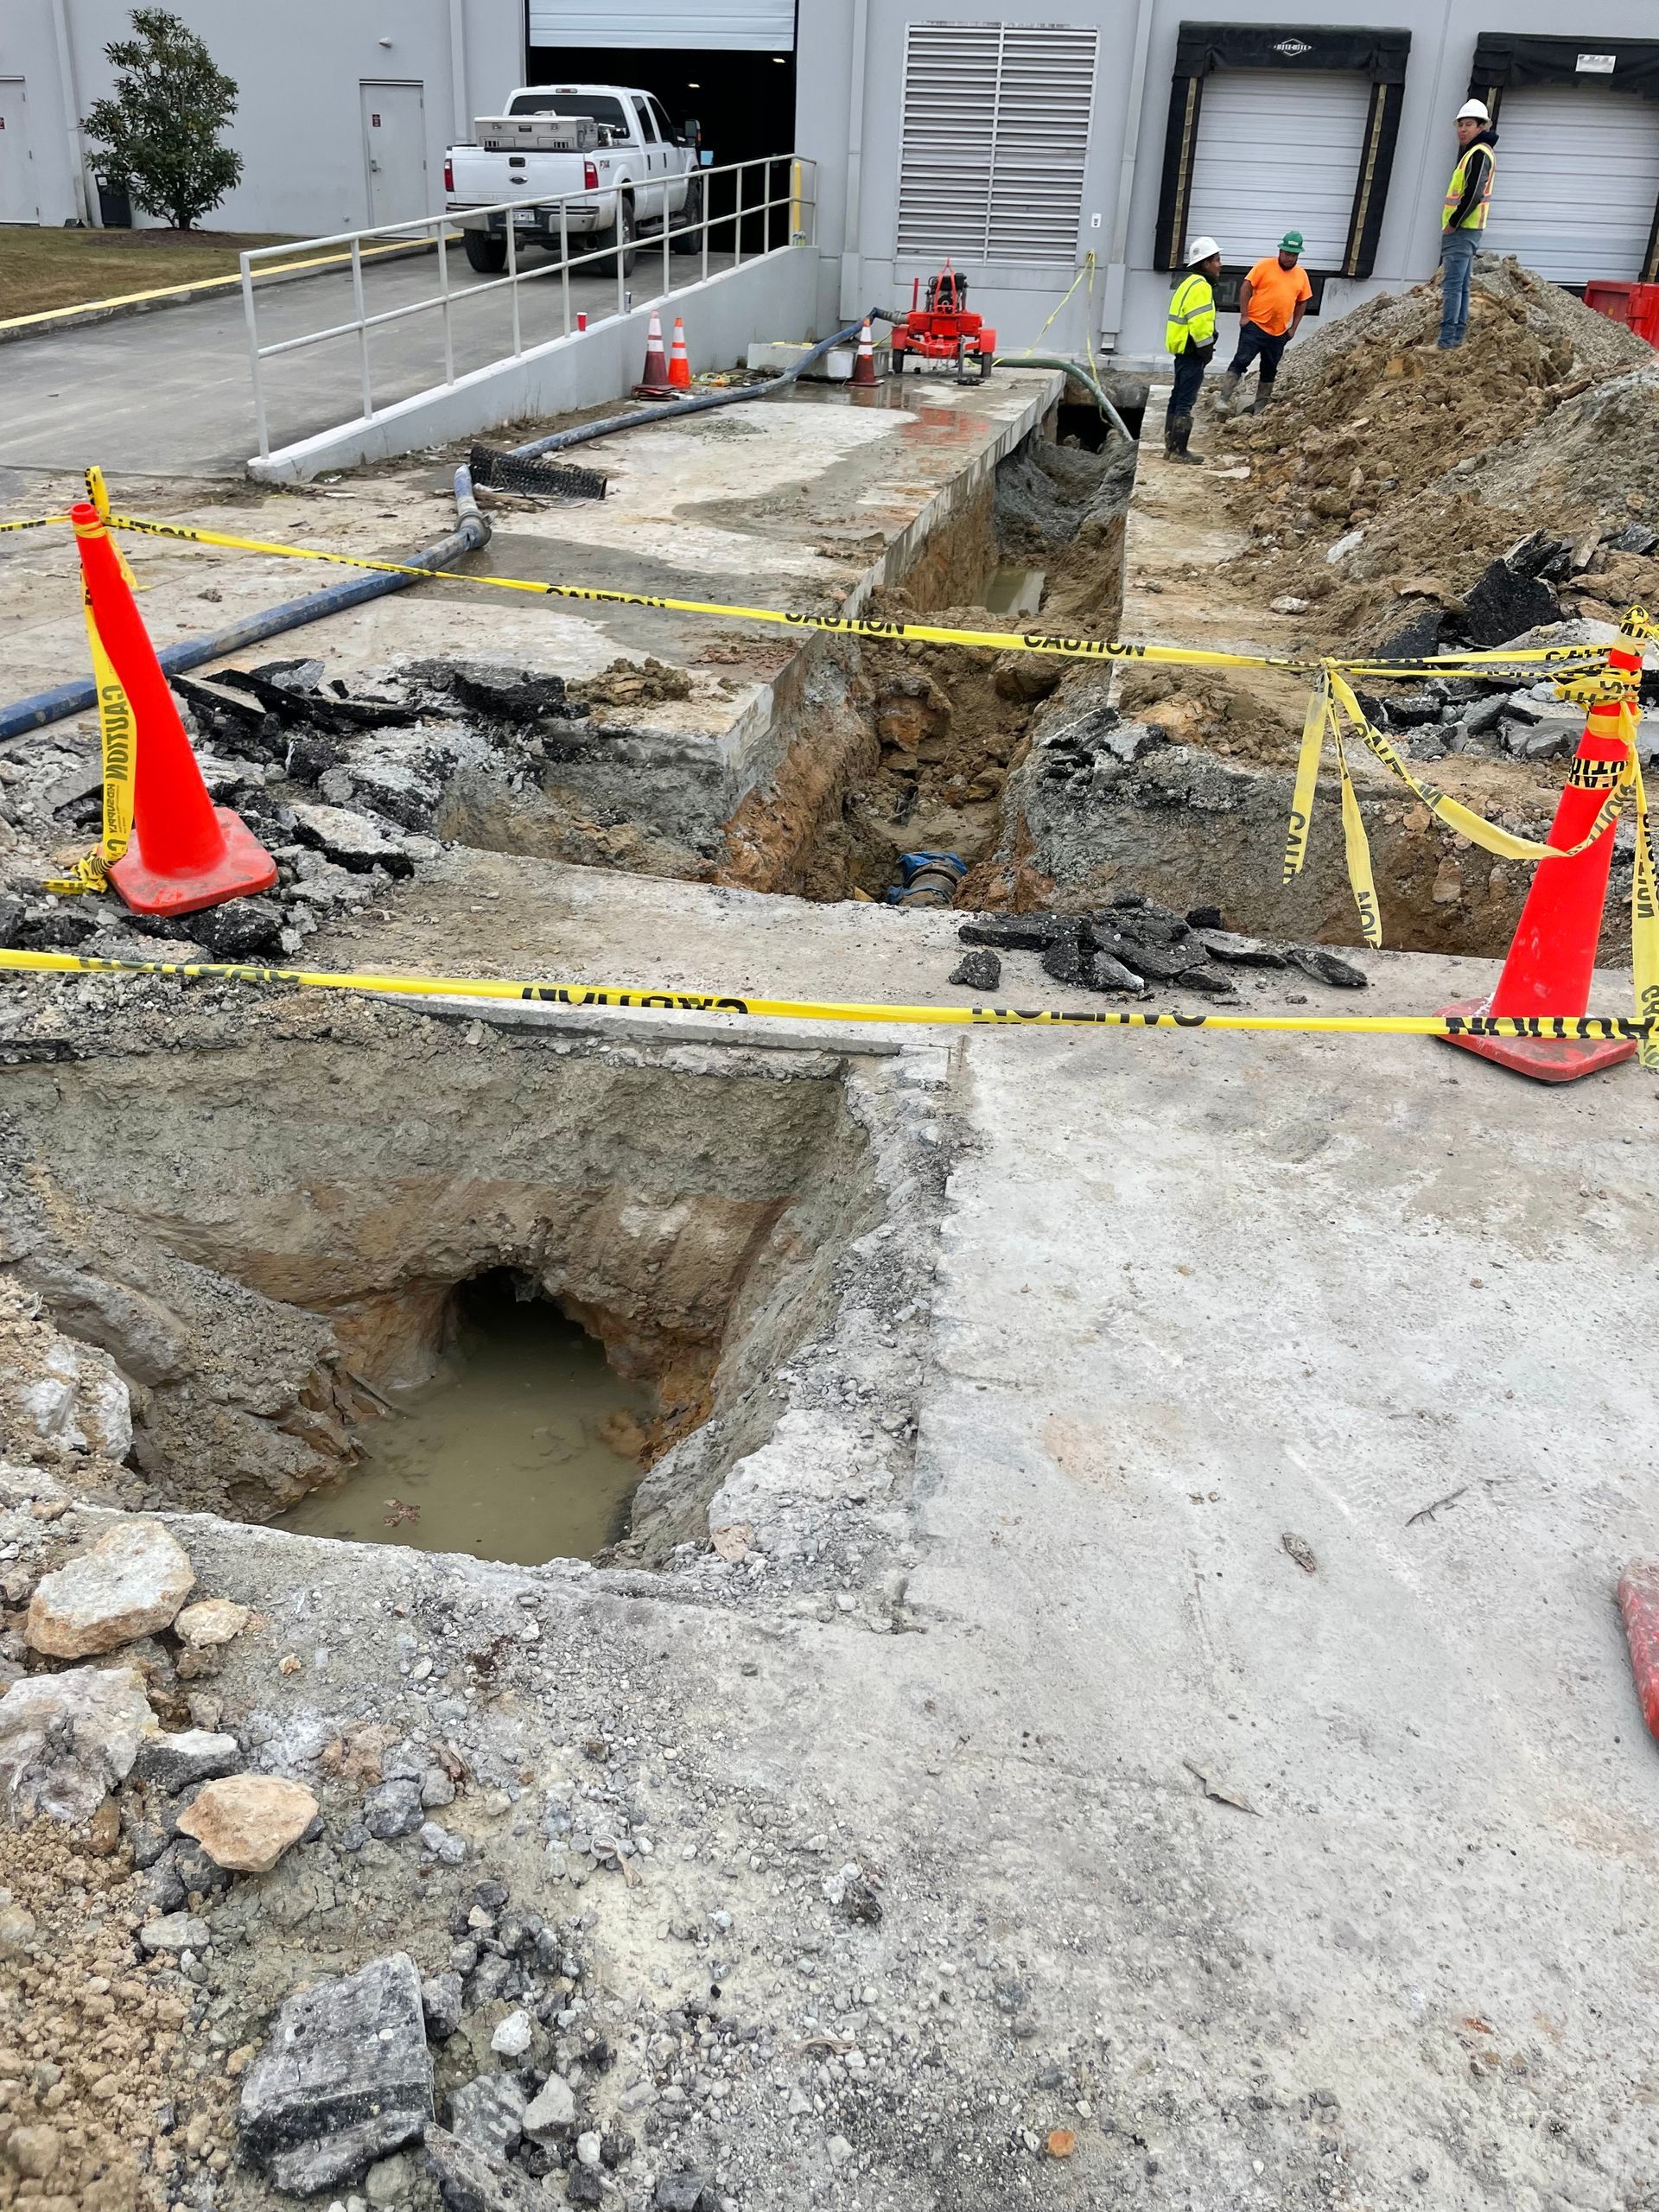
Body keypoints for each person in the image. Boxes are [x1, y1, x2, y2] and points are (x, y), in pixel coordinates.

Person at [1216, 232, 1313, 413]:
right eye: (1287, 253)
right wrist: (1244, 316)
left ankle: (1260, 406)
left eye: (1294, 255)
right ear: (1280, 251)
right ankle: (1223, 399)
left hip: (1279, 332)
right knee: (1242, 360)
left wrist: (1293, 328)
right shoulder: (1264, 266)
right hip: (1255, 326)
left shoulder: (1301, 275)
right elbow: (1246, 288)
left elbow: (1302, 302)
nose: (1290, 258)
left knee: (1270, 368)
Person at [1439, 99, 1497, 350]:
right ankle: (1455, 338)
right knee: (1461, 286)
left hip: (1463, 230)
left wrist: (1454, 222)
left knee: (1452, 286)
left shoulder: (1478, 153)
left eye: (1469, 124)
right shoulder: (1476, 153)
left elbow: (1473, 194)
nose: (1462, 130)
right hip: (1466, 230)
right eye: (1460, 125)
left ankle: (1446, 342)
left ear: (1481, 127)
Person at [1163, 237, 1222, 463]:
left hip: (1182, 350)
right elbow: (1200, 324)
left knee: (1177, 397)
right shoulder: (1202, 287)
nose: (1220, 264)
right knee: (1185, 402)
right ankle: (1179, 451)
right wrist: (1206, 351)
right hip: (1192, 352)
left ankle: (1171, 447)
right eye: (1216, 260)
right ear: (1205, 263)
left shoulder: (1187, 283)